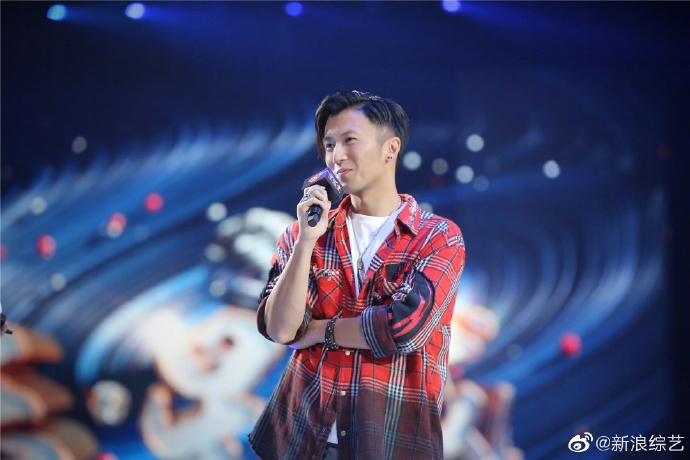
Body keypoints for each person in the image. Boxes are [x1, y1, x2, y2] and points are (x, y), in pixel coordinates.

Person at [248, 90, 466, 460]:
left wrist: (319, 330)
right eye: (329, 145)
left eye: (350, 140)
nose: (336, 156)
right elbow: (281, 330)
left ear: (390, 149)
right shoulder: (303, 234)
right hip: (301, 439)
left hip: (390, 441)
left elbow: (402, 329)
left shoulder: (437, 237)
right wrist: (306, 242)